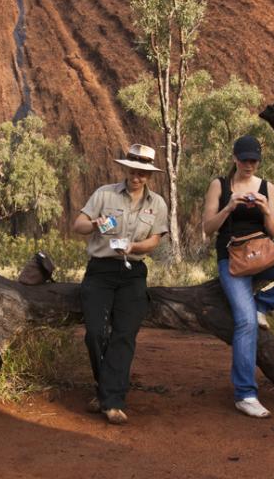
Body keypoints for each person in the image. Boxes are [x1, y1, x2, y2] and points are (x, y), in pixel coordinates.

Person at [202, 135, 274, 419]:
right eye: (244, 159)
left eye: (254, 160)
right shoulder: (220, 184)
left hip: (263, 253)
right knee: (244, 323)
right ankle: (245, 394)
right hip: (232, 260)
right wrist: (229, 207)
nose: (249, 165)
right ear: (235, 158)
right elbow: (207, 227)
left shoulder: (268, 187)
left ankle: (262, 305)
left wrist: (266, 208)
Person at [72, 143, 168, 425]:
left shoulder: (157, 203)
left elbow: (154, 241)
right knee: (95, 332)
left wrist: (133, 246)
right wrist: (94, 225)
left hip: (133, 272)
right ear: (125, 169)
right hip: (100, 271)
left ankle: (111, 401)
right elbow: (78, 225)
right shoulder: (104, 194)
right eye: (133, 171)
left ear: (149, 175)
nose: (137, 177)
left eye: (143, 173)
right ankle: (106, 392)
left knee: (124, 335)